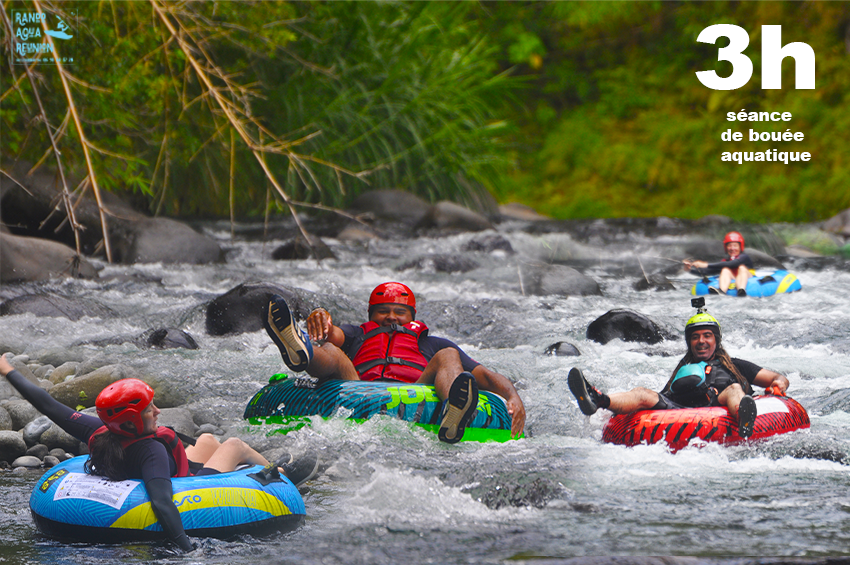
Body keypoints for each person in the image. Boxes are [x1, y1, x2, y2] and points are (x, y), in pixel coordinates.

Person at [0, 354, 316, 552]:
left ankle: (271, 470)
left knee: (206, 438)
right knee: (233, 446)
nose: (158, 410)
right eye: (150, 409)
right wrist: (187, 549)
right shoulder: (149, 451)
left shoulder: (98, 431)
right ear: (131, 420)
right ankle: (281, 477)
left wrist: (7, 369)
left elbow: (46, 403)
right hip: (189, 479)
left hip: (174, 465)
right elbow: (162, 502)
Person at [263, 282, 525, 443]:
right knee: (332, 348)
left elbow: (483, 375)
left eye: (399, 312)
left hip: (416, 391)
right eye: (383, 311)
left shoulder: (431, 344)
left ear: (412, 316)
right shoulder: (358, 333)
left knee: (449, 356)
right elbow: (332, 334)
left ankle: (453, 409)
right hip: (358, 388)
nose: (391, 317)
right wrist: (322, 318)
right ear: (371, 315)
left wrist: (511, 394)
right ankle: (301, 348)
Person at [567, 306, 789, 439]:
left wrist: (779, 384)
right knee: (642, 393)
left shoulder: (736, 365)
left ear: (716, 339)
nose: (701, 341)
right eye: (695, 337)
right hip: (679, 408)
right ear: (689, 342)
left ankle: (744, 418)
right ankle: (598, 400)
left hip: (717, 405)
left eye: (707, 336)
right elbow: (665, 396)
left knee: (733, 389)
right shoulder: (682, 369)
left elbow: (777, 378)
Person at [684, 231, 754, 296]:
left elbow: (733, 264)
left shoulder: (744, 257)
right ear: (726, 248)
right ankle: (722, 291)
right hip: (733, 277)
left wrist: (705, 264)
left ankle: (741, 290)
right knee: (725, 270)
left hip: (748, 277)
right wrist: (689, 269)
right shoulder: (725, 262)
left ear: (740, 247)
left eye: (735, 245)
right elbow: (707, 272)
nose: (732, 248)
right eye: (729, 246)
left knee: (741, 267)